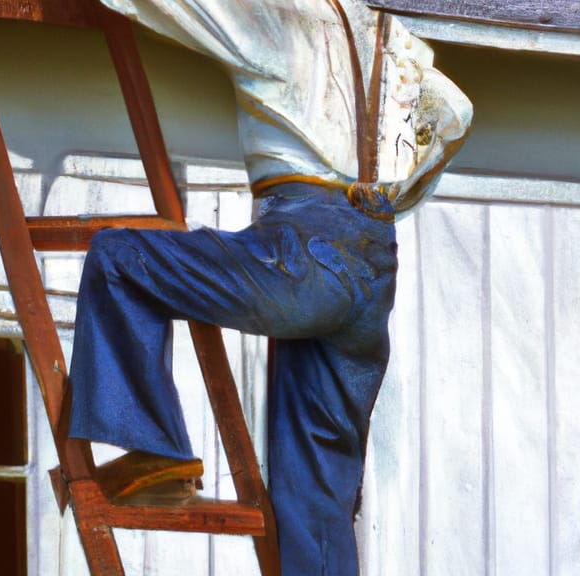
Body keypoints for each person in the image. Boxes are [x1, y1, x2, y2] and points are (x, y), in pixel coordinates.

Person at [68, 1, 472, 573]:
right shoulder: (385, 33)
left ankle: (156, 451)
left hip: (303, 249)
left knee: (119, 257)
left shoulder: (284, 18)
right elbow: (455, 111)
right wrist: (403, 192)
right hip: (374, 259)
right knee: (315, 497)